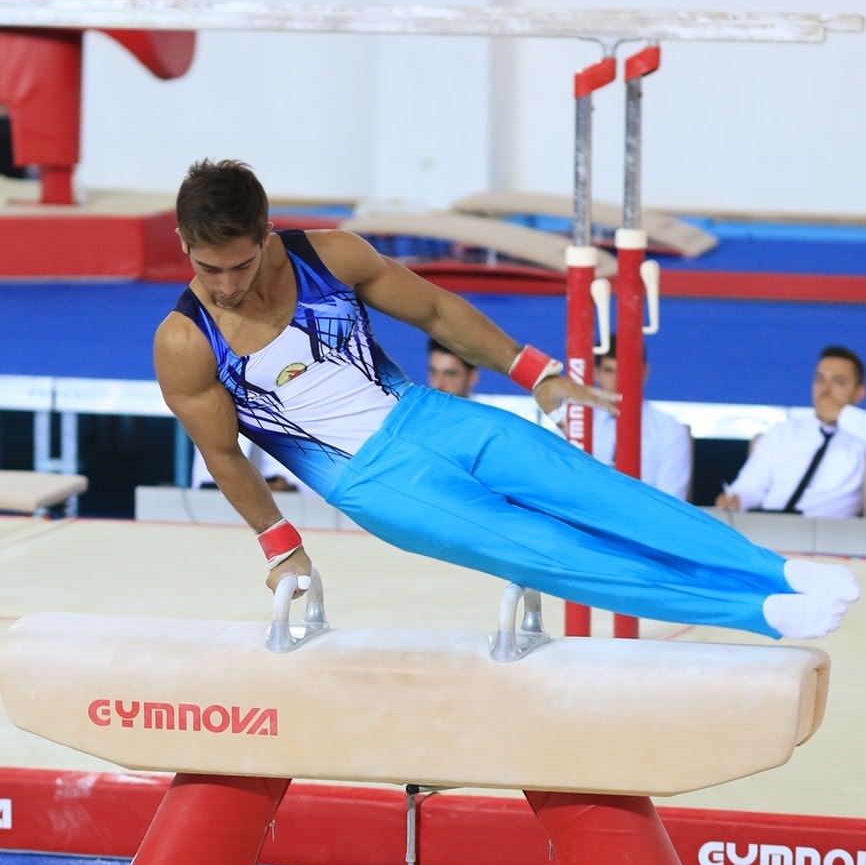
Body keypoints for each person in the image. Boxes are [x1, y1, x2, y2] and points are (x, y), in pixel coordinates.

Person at [152, 159, 858, 641]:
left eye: (240, 265)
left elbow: (436, 310)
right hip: (373, 480)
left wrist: (533, 370)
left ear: (266, 233)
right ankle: (758, 611)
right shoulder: (185, 341)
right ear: (183, 243)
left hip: (429, 413)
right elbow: (224, 453)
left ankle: (777, 570)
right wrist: (281, 546)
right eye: (208, 267)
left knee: (597, 492)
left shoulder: (327, 256)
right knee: (552, 552)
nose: (226, 285)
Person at [714, 345, 866, 518]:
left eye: (838, 381)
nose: (825, 390)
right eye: (819, 379)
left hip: (828, 531)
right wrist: (737, 499)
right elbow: (751, 483)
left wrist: (843, 414)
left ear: (859, 393)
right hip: (769, 524)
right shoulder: (782, 432)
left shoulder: (860, 437)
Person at [592, 336, 692, 501]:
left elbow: (669, 503)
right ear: (596, 373)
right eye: (609, 370)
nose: (617, 380)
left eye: (625, 370)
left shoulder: (671, 431)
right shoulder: (573, 425)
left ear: (644, 372)